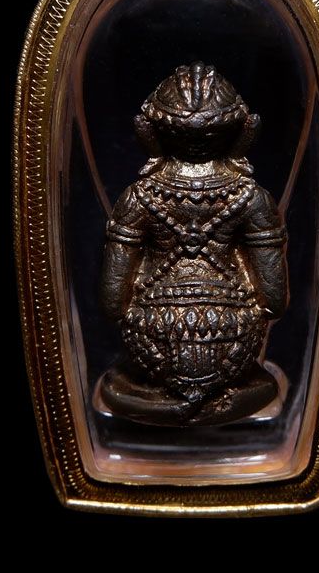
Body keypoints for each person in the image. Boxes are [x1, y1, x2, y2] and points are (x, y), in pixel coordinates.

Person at [99, 61, 288, 425]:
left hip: (153, 339)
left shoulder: (138, 198)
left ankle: (169, 403)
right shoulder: (253, 198)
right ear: (245, 130)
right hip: (233, 340)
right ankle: (210, 402)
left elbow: (112, 301)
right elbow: (274, 299)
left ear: (148, 130)